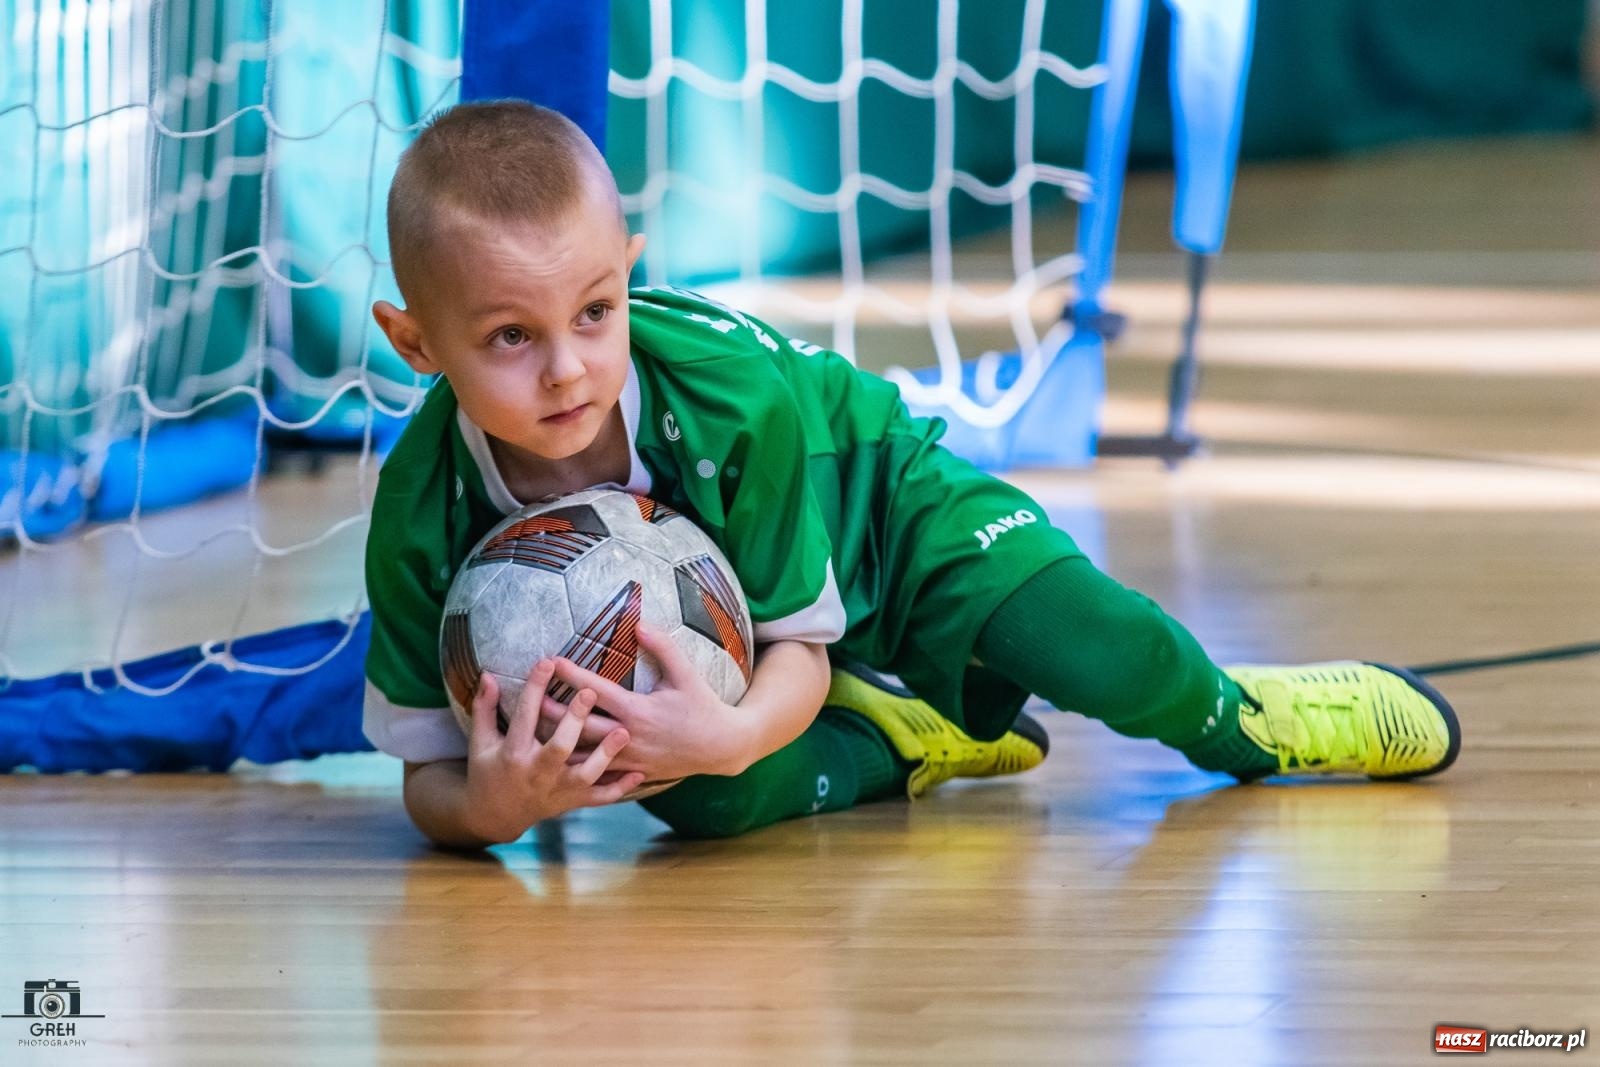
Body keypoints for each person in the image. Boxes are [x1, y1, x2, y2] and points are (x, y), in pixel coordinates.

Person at [363, 100, 1460, 849]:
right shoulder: (419, 517)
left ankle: (1243, 712)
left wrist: (741, 719)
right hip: (752, 624)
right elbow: (428, 780)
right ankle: (895, 735)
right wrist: (496, 807)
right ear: (416, 343)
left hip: (882, 501)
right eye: (509, 336)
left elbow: (797, 633)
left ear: (630, 275)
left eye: (595, 312)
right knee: (703, 799)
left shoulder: (732, 396)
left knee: (1089, 641)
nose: (568, 367)